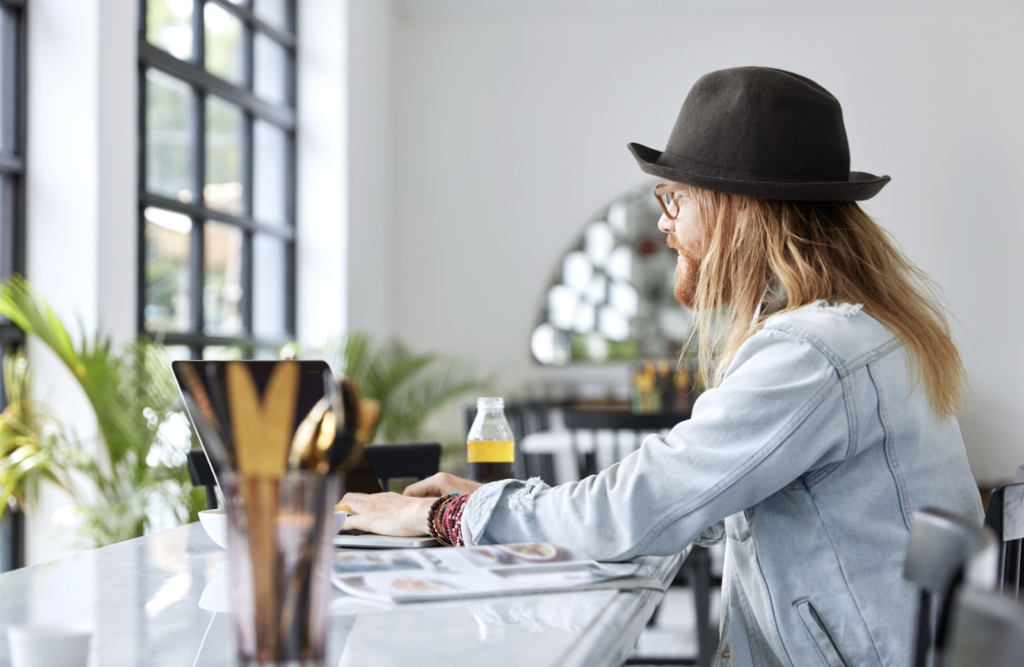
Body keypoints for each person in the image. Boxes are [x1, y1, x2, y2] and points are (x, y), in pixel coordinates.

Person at [341, 66, 982, 666]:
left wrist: (441, 516)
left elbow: (636, 507)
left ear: (740, 211)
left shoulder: (811, 355)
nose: (664, 222)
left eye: (676, 199)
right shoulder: (862, 333)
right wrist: (495, 505)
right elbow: (680, 498)